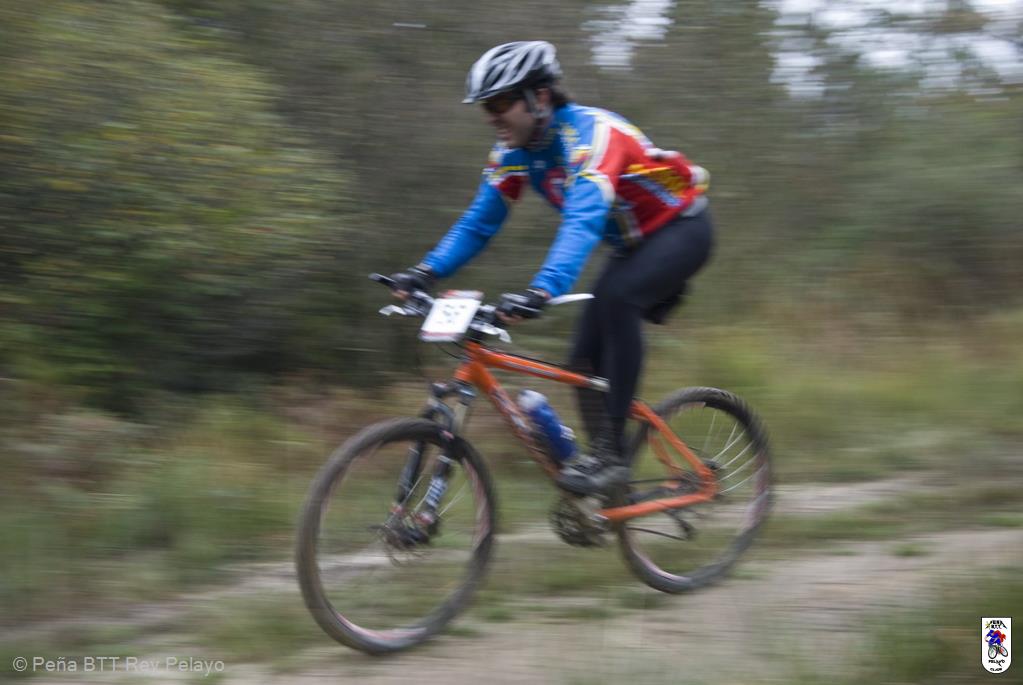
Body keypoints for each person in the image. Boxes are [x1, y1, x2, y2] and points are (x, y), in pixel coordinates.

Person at [391, 41, 713, 496]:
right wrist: (426, 272)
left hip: (682, 229)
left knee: (618, 300)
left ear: (539, 97)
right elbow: (480, 222)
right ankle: (609, 473)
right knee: (582, 358)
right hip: (632, 246)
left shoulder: (591, 137)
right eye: (486, 106)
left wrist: (543, 289)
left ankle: (611, 457)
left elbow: (583, 220)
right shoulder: (515, 151)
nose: (491, 116)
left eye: (500, 103)